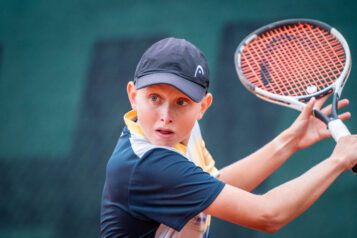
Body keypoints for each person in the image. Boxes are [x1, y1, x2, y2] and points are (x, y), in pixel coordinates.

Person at [100, 37, 357, 238]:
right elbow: (269, 215)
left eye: (181, 102)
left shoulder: (179, 132)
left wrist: (290, 140)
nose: (166, 115)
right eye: (154, 98)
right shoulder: (148, 164)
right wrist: (338, 160)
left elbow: (213, 186)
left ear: (202, 106)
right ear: (133, 96)